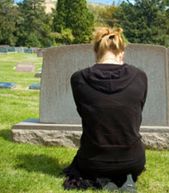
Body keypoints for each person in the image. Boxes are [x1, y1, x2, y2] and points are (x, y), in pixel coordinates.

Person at [63, 27, 148, 192]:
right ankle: (123, 177)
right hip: (133, 161)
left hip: (93, 161)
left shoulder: (78, 79)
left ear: (96, 52)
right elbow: (137, 114)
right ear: (121, 52)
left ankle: (104, 179)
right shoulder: (140, 76)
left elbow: (86, 114)